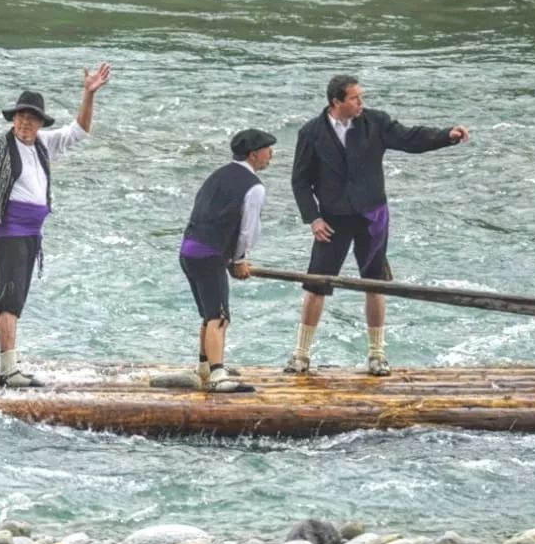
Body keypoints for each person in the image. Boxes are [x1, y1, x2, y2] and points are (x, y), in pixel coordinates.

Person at [287, 74, 469, 376]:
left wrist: (446, 135)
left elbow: (410, 138)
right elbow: (300, 181)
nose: (362, 103)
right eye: (355, 98)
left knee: (375, 282)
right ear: (337, 102)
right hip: (332, 220)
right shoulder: (311, 133)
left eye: (362, 97)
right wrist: (313, 218)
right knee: (316, 284)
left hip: (372, 216)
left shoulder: (376, 122)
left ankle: (376, 355)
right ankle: (300, 355)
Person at [0, 63, 112, 387]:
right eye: (21, 117)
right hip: (9, 233)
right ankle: (8, 369)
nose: (25, 122)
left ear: (39, 122)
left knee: (0, 293)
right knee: (12, 296)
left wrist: (88, 94)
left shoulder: (42, 144)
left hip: (32, 235)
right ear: (14, 119)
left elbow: (78, 131)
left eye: (32, 118)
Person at [180, 129, 276, 393]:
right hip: (210, 254)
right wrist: (238, 260)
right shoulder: (254, 186)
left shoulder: (217, 175)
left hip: (188, 250)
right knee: (219, 317)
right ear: (254, 154)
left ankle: (204, 367)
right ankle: (218, 374)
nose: (272, 155)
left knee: (209, 314)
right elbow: (248, 230)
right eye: (268, 150)